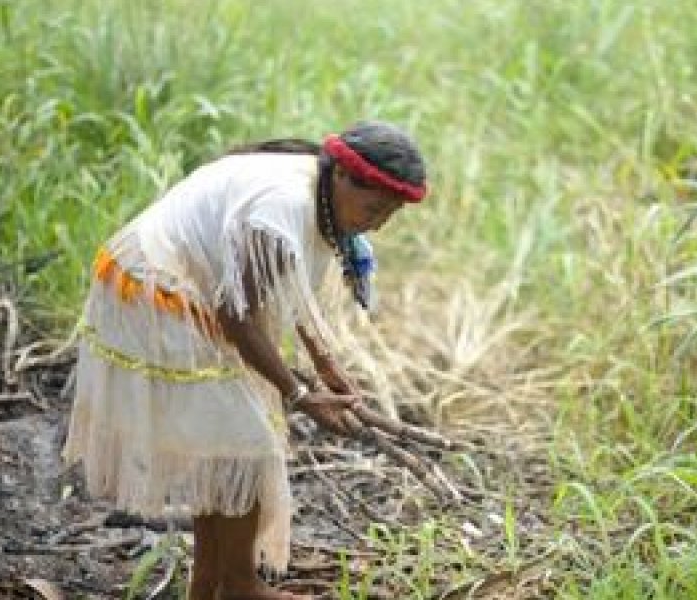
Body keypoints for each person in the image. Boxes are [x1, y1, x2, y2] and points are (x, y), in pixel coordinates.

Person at [62, 121, 428, 600]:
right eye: (375, 208)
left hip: (186, 286)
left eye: (390, 215)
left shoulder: (321, 196)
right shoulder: (282, 205)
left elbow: (288, 289)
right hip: (153, 288)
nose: (379, 223)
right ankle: (241, 587)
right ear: (342, 176)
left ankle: (209, 587)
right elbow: (236, 318)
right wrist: (299, 395)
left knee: (225, 442)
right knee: (246, 443)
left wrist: (326, 366)